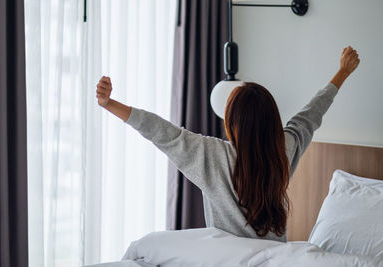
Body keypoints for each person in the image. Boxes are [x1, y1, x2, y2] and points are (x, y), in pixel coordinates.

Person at [95, 46, 360, 242]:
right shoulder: (284, 149)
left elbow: (162, 132)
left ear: (233, 124)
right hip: (274, 258)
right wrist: (342, 72)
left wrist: (110, 104)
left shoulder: (211, 155)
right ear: (271, 120)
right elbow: (311, 114)